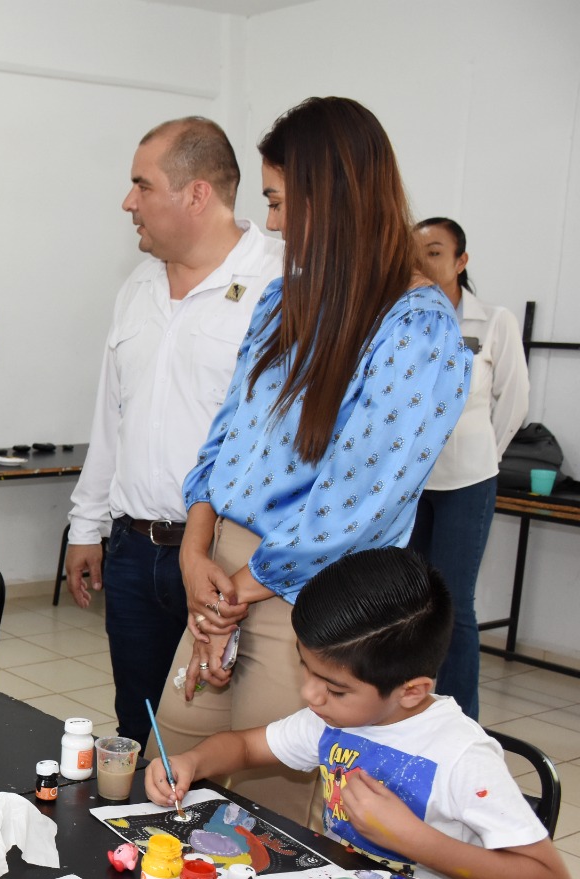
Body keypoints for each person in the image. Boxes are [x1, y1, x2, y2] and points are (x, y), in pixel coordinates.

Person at [157, 96, 470, 828]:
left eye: (278, 201)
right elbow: (224, 437)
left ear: (334, 198)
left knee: (269, 820)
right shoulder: (281, 302)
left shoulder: (417, 327)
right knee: (172, 771)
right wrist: (195, 552)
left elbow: (352, 505)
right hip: (223, 574)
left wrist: (235, 589)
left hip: (306, 596)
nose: (271, 223)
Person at [145, 548, 573, 879]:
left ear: (412, 691)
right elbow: (242, 746)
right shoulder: (337, 718)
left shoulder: (464, 757)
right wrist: (191, 761)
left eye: (334, 687)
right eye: (305, 668)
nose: (311, 694)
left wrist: (412, 839)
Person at [66, 117, 282, 749]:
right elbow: (113, 415)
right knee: (139, 728)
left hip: (228, 556)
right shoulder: (136, 287)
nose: (128, 202)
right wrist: (87, 526)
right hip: (135, 551)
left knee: (229, 739)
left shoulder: (278, 280)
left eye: (142, 185)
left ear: (196, 195)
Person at [408, 217, 530, 719]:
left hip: (468, 482)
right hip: (412, 483)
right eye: (416, 254)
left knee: (454, 604)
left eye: (435, 252)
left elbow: (514, 402)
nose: (424, 262)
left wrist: (484, 456)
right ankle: (410, 712)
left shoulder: (491, 321)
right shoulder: (404, 318)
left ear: (461, 261)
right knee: (413, 601)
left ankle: (461, 722)